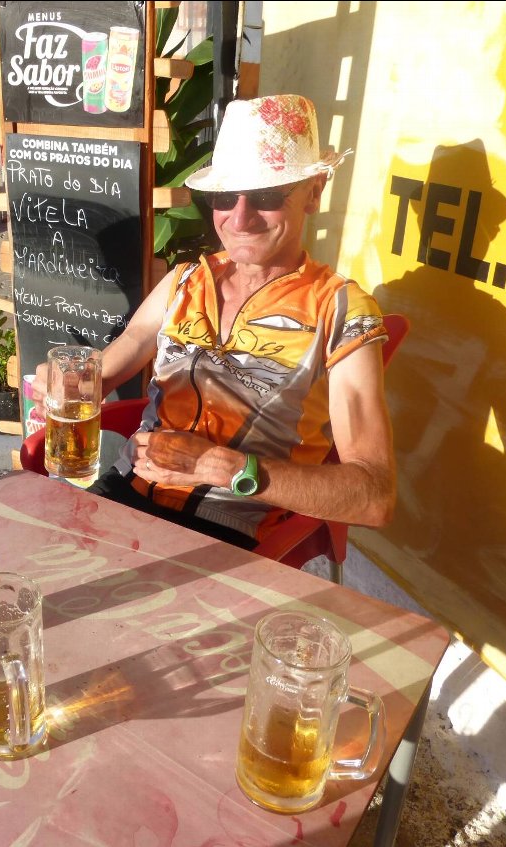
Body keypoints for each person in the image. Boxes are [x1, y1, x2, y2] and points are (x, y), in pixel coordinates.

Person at [34, 94, 395, 550]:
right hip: (124, 492)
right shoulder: (185, 281)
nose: (239, 218)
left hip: (227, 526)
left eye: (265, 196)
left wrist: (221, 466)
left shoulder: (341, 310)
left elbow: (375, 496)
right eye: (225, 197)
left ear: (314, 192)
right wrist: (66, 383)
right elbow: (100, 375)